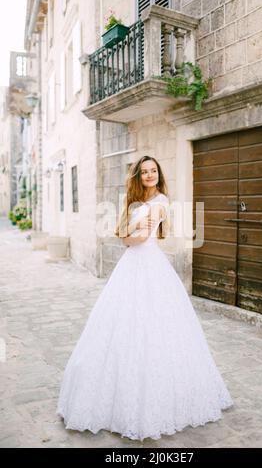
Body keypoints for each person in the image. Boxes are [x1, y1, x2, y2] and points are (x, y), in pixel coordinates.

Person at [56, 155, 234, 441]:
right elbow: (124, 234)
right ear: (137, 176)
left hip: (149, 264)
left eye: (153, 171)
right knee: (119, 323)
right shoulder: (133, 201)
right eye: (144, 172)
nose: (150, 175)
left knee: (154, 324)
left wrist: (129, 233)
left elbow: (133, 238)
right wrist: (128, 233)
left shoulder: (161, 202)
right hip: (130, 266)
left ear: (158, 175)